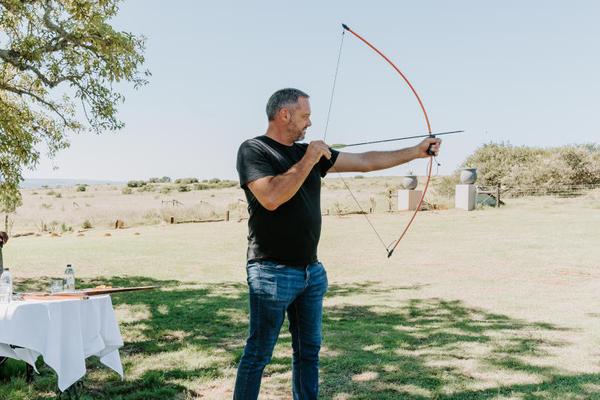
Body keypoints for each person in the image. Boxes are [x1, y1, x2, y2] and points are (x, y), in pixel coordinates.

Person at [234, 88, 441, 399]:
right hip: (271, 272)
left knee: (308, 353)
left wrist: (414, 151)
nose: (309, 124)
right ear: (284, 114)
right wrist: (309, 158)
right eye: (305, 116)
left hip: (310, 273)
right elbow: (272, 197)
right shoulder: (254, 150)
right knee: (258, 355)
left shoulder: (309, 153)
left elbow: (366, 161)